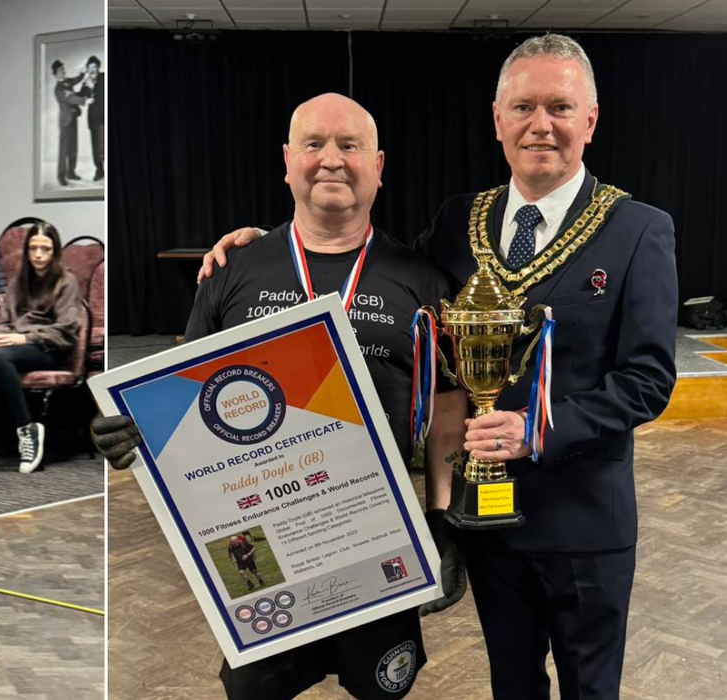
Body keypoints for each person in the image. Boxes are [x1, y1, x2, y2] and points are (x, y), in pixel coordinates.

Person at [195, 35, 677, 700]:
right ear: (497, 119)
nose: (540, 124)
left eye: (560, 107)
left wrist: (540, 428)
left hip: (581, 518)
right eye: (523, 107)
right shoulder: (458, 223)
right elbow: (375, 275)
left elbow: (647, 380)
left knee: (590, 688)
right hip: (482, 520)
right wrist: (258, 247)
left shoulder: (638, 230)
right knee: (510, 682)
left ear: (589, 121)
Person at [93, 93, 469, 700]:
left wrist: (441, 518)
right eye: (314, 144)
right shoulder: (233, 270)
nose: (331, 160)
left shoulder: (421, 278)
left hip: (374, 534)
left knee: (383, 690)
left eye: (349, 146)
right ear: (287, 160)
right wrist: (131, 435)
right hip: (262, 545)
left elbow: (448, 407)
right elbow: (183, 399)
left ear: (378, 164)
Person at [0, 222, 81, 475]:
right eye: (33, 248)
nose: (39, 255)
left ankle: (27, 429)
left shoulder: (67, 281)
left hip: (46, 348)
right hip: (12, 346)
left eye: (45, 248)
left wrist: (23, 339)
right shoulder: (18, 281)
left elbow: (65, 330)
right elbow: (3, 320)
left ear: (55, 251)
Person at [52, 60, 90, 186]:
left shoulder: (67, 81)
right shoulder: (58, 89)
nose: (64, 71)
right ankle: (61, 176)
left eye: (64, 69)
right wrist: (84, 100)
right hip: (65, 122)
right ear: (55, 74)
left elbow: (76, 80)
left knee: (73, 148)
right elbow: (70, 99)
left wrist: (83, 73)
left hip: (73, 118)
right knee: (64, 150)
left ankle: (71, 173)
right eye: (61, 70)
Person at [77, 55, 105, 181]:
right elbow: (80, 95)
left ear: (98, 67)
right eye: (89, 68)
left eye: (94, 67)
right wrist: (70, 93)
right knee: (96, 148)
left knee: (104, 146)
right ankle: (100, 170)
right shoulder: (86, 82)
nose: (92, 70)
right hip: (93, 120)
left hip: (105, 119)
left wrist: (93, 87)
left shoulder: (104, 78)